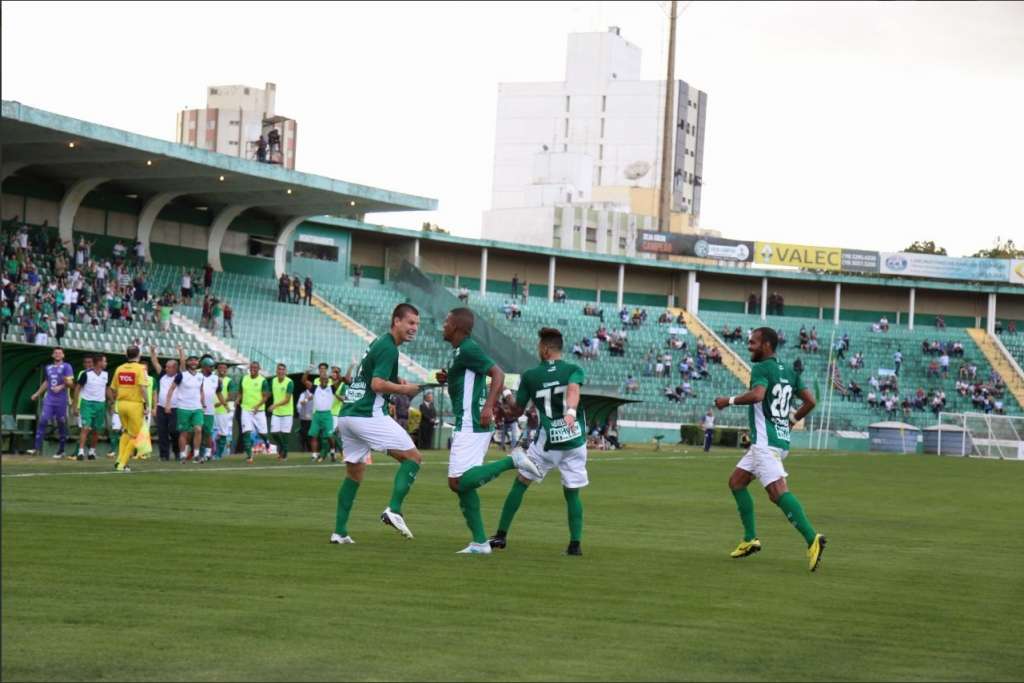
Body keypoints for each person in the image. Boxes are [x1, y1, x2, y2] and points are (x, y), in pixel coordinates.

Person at [713, 327, 826, 572]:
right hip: (778, 441)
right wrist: (792, 420)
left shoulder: (762, 368)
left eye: (753, 342)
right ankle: (750, 538)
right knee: (736, 482)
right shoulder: (790, 372)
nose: (749, 346)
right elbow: (811, 401)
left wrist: (728, 401)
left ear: (766, 345)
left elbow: (757, 395)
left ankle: (812, 538)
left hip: (765, 444)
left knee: (777, 493)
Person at [434, 307, 539, 554]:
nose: (443, 325)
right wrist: (448, 378)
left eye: (447, 322)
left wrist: (489, 406)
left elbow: (497, 374)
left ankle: (511, 461)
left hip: (472, 422)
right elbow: (471, 380)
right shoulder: (461, 352)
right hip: (469, 421)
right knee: (462, 485)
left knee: (457, 482)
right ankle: (480, 542)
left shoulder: (469, 348)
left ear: (458, 327)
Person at [489, 327, 588, 556]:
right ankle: (575, 545)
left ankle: (501, 535)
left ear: (544, 349)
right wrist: (571, 413)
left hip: (548, 443)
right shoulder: (574, 369)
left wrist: (505, 393)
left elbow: (515, 410)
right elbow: (573, 389)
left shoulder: (531, 376)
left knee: (521, 483)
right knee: (572, 493)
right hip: (574, 440)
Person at [331, 304, 424, 544]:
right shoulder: (388, 348)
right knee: (413, 458)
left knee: (354, 472)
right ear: (396, 321)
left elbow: (381, 377)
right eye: (410, 322)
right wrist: (404, 388)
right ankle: (394, 509)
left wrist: (398, 381)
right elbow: (377, 384)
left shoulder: (381, 343)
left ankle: (339, 532)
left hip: (348, 415)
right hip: (367, 414)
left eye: (417, 324)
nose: (414, 328)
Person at [108, 345, 151, 472]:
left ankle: (118, 460)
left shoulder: (119, 369)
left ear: (126, 355)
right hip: (134, 405)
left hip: (121, 404)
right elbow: (143, 388)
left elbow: (112, 388)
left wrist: (114, 402)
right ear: (139, 356)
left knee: (126, 432)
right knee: (135, 435)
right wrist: (147, 404)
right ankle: (122, 463)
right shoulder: (140, 369)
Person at [28, 347, 75, 457]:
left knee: (61, 423)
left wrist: (61, 386)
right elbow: (47, 382)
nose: (57, 354)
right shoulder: (48, 367)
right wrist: (37, 393)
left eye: (60, 353)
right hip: (49, 398)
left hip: (62, 399)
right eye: (55, 353)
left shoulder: (67, 366)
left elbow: (71, 384)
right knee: (43, 420)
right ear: (52, 355)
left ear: (63, 355)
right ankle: (36, 448)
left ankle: (61, 449)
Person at [165, 355, 206, 463]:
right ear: (187, 363)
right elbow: (171, 389)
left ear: (198, 363)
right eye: (191, 361)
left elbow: (201, 390)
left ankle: (196, 455)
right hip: (183, 408)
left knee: (198, 429)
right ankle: (183, 455)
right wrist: (168, 404)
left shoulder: (201, 376)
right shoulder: (181, 375)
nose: (193, 362)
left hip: (197, 408)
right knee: (184, 433)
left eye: (195, 360)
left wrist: (203, 403)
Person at [150, 346, 183, 461]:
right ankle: (164, 455)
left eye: (169, 367)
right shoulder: (163, 375)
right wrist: (153, 351)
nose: (166, 368)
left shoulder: (180, 376)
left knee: (174, 431)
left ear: (175, 368)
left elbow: (183, 364)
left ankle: (177, 452)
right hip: (161, 407)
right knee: (162, 432)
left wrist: (180, 352)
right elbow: (155, 362)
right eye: (166, 367)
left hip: (175, 408)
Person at [73, 354, 108, 461]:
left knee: (96, 429)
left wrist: (112, 401)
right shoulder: (86, 374)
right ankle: (81, 452)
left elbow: (107, 388)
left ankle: (92, 451)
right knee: (85, 428)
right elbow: (77, 388)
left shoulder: (106, 374)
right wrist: (75, 405)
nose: (106, 363)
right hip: (87, 404)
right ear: (99, 362)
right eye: (104, 361)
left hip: (100, 404)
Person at [304, 363, 340, 463]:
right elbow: (303, 381)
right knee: (314, 435)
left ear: (328, 381)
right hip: (316, 415)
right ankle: (314, 455)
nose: (325, 381)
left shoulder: (331, 388)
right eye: (323, 380)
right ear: (320, 380)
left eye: (326, 380)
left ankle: (332, 452)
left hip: (327, 414)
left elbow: (340, 380)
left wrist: (336, 372)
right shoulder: (315, 388)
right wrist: (307, 370)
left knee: (329, 436)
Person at [239, 361, 271, 464]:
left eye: (255, 368)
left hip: (259, 411)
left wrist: (257, 406)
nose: (253, 369)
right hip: (246, 409)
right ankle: (249, 456)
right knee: (246, 432)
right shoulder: (244, 378)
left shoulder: (263, 381)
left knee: (263, 433)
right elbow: (241, 392)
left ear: (259, 369)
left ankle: (266, 442)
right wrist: (237, 400)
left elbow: (266, 396)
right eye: (251, 367)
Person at [268, 363, 295, 461]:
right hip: (276, 413)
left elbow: (287, 399)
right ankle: (283, 449)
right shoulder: (273, 381)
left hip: (287, 412)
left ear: (286, 371)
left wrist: (274, 405)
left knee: (285, 435)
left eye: (283, 369)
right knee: (274, 433)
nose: (281, 371)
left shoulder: (289, 382)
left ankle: (284, 454)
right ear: (276, 371)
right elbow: (269, 393)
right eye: (279, 369)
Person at [212, 362, 236, 460]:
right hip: (210, 409)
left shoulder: (229, 381)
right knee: (208, 432)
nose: (222, 369)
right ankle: (207, 453)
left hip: (222, 410)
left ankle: (218, 454)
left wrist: (221, 403)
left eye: (224, 368)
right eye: (220, 367)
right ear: (217, 369)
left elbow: (231, 396)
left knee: (223, 432)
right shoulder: (212, 378)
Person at [197, 357, 220, 462]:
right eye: (211, 366)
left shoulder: (216, 378)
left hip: (210, 410)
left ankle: (209, 453)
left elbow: (218, 392)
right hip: (197, 408)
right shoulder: (197, 376)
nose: (213, 368)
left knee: (208, 432)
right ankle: (197, 453)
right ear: (204, 367)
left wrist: (224, 404)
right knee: (197, 431)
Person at [297, 385, 315, 452]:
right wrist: (302, 414)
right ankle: (303, 449)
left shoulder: (316, 394)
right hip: (304, 418)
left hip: (313, 418)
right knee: (304, 434)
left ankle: (311, 450)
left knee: (311, 435)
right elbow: (299, 405)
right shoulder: (303, 394)